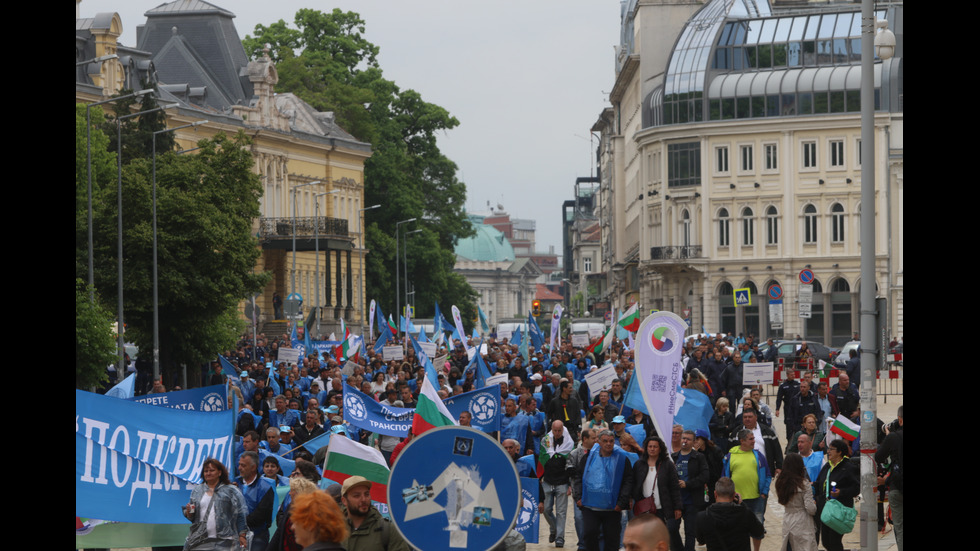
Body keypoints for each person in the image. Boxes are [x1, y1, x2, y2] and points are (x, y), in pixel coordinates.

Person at [575, 430, 634, 551]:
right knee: (589, 534)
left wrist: (621, 502)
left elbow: (628, 481)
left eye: (611, 441)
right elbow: (579, 478)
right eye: (605, 441)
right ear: (599, 442)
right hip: (590, 507)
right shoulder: (588, 458)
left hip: (612, 508)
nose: (608, 444)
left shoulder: (621, 460)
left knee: (612, 539)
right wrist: (578, 497)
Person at [182, 458, 248, 550]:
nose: (208, 473)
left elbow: (241, 514)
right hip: (200, 540)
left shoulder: (231, 490)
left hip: (225, 541)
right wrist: (189, 513)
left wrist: (242, 535)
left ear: (219, 472)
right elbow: (193, 517)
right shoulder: (197, 490)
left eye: (212, 470)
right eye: (206, 471)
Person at [340, 475, 411, 551]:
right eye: (357, 496)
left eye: (366, 494)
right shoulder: (334, 530)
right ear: (344, 501)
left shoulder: (388, 530)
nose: (364, 499)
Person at [696, 477, 765, 551]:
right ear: (734, 495)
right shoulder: (745, 513)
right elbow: (759, 532)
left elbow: (701, 541)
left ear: (715, 494)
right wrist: (742, 504)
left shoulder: (702, 516)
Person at [814, 439, 860, 551]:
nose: (828, 451)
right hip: (826, 510)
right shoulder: (827, 466)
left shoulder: (848, 467)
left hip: (840, 510)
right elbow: (819, 483)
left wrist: (841, 492)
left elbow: (856, 488)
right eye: (828, 449)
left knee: (834, 542)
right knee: (826, 542)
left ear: (839, 452)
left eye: (831, 449)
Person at [722, 428, 772, 524]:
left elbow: (768, 475)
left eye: (753, 438)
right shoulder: (730, 456)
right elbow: (724, 477)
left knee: (757, 528)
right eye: (751, 439)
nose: (754, 441)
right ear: (742, 441)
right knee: (737, 527)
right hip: (736, 499)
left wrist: (764, 493)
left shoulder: (759, 456)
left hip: (757, 498)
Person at [671, 430, 709, 551]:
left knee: (690, 532)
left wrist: (687, 484)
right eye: (683, 438)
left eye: (688, 439)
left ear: (693, 442)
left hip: (692, 501)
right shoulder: (673, 457)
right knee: (672, 529)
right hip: (676, 501)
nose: (685, 441)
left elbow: (704, 476)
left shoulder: (699, 457)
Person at [540, 421, 574, 548]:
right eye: (555, 430)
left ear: (562, 429)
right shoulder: (545, 441)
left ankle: (560, 538)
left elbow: (571, 464)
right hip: (547, 481)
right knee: (546, 510)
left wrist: (570, 484)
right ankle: (554, 528)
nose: (557, 433)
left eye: (559, 430)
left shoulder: (569, 443)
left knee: (561, 512)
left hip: (562, 482)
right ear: (551, 430)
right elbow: (541, 459)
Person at [775, 453, 817, 551]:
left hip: (787, 519)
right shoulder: (804, 484)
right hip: (802, 522)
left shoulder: (780, 483)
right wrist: (815, 505)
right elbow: (811, 509)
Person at [875, 405, 903, 551]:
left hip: (898, 488)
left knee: (899, 525)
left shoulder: (894, 437)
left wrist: (888, 437)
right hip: (896, 485)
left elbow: (878, 456)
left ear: (900, 419)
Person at [235, 451, 274, 550]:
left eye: (243, 465)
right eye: (239, 465)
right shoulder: (234, 484)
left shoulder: (265, 487)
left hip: (257, 534)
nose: (239, 468)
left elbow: (260, 515)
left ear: (253, 467)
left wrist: (238, 522)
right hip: (234, 533)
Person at [567, 428, 597, 551]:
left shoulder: (598, 453)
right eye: (593, 438)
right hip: (579, 491)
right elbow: (569, 469)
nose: (596, 440)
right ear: (585, 439)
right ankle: (582, 543)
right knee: (579, 518)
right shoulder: (574, 453)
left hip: (594, 492)